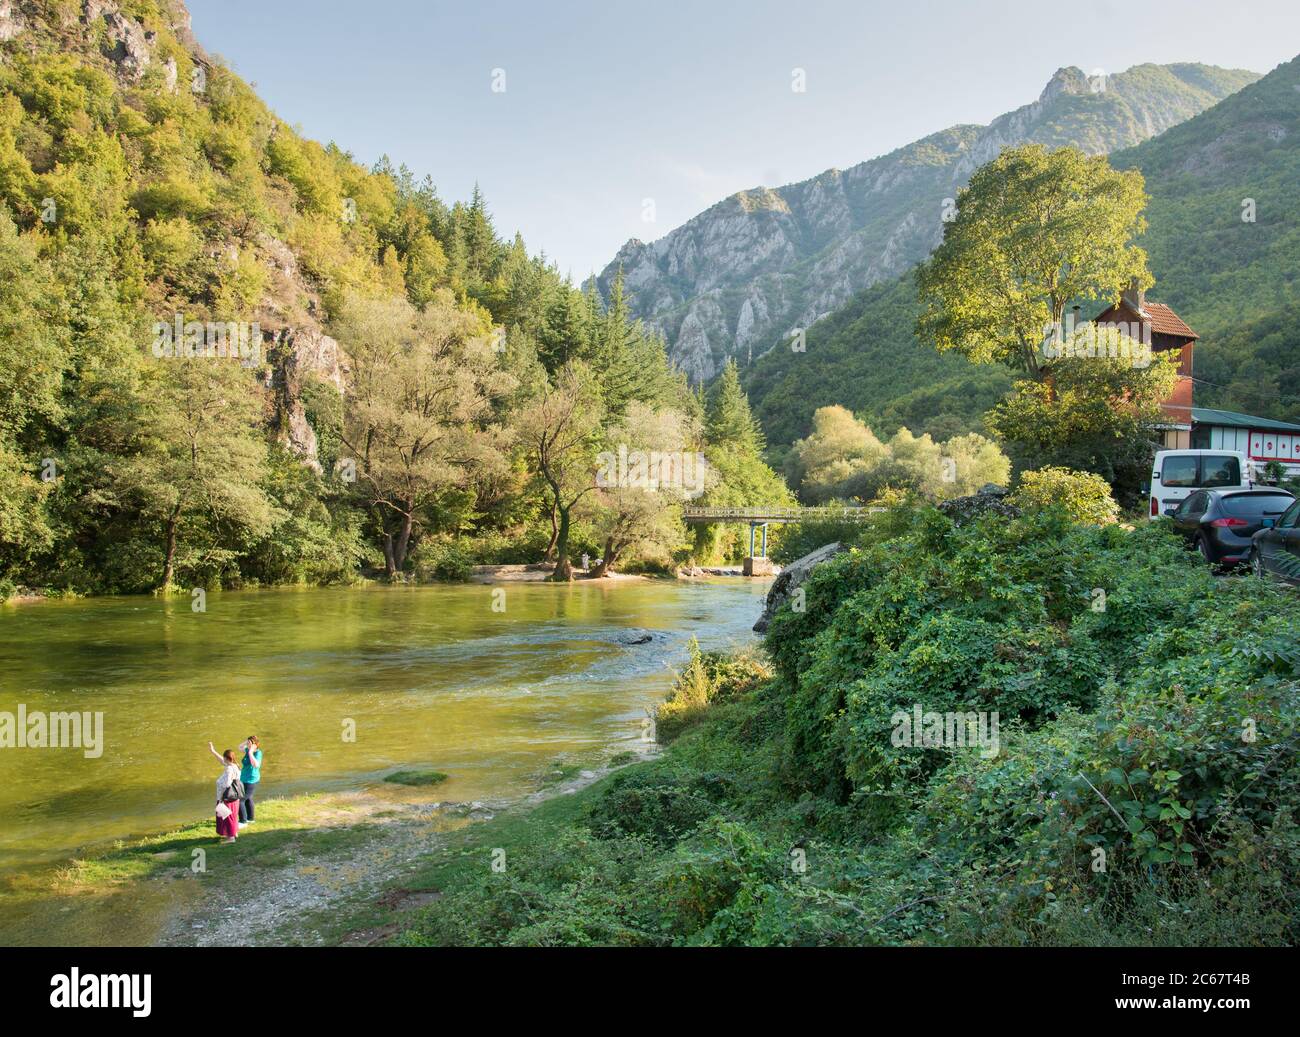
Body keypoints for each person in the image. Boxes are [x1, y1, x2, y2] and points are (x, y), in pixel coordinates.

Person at [208, 742, 242, 843]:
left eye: (224, 758)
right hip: (234, 797)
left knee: (227, 817)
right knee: (233, 815)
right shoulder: (235, 765)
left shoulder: (229, 769)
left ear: (227, 758)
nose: (223, 760)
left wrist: (220, 784)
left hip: (226, 797)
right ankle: (234, 833)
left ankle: (231, 838)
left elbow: (227, 783)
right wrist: (213, 751)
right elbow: (222, 761)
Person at [238, 736, 263, 824]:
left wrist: (251, 752)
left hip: (251, 780)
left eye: (250, 743)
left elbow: (256, 765)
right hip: (244, 778)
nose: (248, 744)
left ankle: (243, 821)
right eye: (248, 743)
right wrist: (247, 741)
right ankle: (250, 819)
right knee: (248, 798)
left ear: (255, 745)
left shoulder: (258, 753)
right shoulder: (248, 750)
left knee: (240, 800)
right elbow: (239, 747)